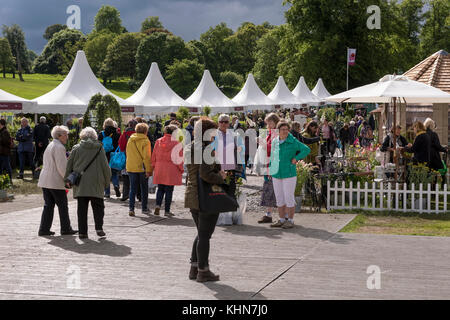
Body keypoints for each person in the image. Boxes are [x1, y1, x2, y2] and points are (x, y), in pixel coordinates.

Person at [184, 117, 226, 282]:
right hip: (205, 196)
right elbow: (206, 174)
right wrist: (221, 177)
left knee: (201, 233)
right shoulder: (207, 148)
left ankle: (194, 268)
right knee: (205, 235)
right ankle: (203, 270)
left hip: (192, 194)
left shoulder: (190, 146)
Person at [65, 127, 111, 239]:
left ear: (82, 136)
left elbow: (69, 165)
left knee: (81, 208)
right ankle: (99, 228)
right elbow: (105, 167)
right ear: (94, 136)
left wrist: (67, 179)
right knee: (98, 207)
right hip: (96, 182)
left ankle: (82, 232)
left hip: (81, 183)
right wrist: (106, 182)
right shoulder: (100, 148)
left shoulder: (76, 148)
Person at [269, 121, 310, 229]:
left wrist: (296, 158)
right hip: (276, 173)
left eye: (287, 129)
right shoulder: (274, 141)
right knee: (279, 197)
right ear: (278, 131)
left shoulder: (293, 141)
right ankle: (282, 219)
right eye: (283, 129)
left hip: (289, 173)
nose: (285, 131)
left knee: (289, 197)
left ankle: (290, 220)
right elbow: (272, 156)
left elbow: (306, 149)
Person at [38, 126, 77, 237]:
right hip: (55, 181)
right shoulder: (59, 147)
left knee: (48, 205)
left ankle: (44, 229)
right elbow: (62, 167)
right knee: (62, 205)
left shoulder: (51, 144)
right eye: (65, 135)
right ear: (59, 135)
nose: (67, 137)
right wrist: (68, 179)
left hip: (46, 180)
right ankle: (65, 228)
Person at [151, 125, 183, 217]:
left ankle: (157, 205)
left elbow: (154, 155)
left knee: (160, 189)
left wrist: (153, 166)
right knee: (169, 190)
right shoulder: (177, 143)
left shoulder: (159, 141)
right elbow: (178, 159)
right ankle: (167, 210)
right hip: (171, 169)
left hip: (160, 168)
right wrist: (181, 169)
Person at [126, 123, 152, 216]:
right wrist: (149, 169)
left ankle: (131, 208)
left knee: (132, 188)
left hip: (131, 166)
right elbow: (147, 157)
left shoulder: (130, 139)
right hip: (142, 168)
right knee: (144, 188)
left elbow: (128, 153)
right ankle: (144, 208)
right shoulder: (146, 141)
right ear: (146, 131)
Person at [258, 113, 280, 224]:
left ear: (276, 122)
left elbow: (275, 149)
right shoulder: (270, 133)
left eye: (271, 122)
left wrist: (263, 145)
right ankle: (269, 213)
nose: (269, 124)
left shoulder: (277, 133)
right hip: (268, 164)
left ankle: (273, 214)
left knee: (272, 189)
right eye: (268, 123)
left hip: (273, 164)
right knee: (269, 189)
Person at [99, 118, 121, 199]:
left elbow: (98, 145)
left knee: (105, 175)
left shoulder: (101, 134)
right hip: (114, 155)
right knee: (114, 173)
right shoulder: (117, 134)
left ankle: (107, 193)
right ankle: (116, 185)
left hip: (104, 156)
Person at [118, 120, 137, 201]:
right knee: (136, 177)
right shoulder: (138, 134)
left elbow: (121, 146)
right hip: (136, 157)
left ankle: (125, 194)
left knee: (125, 177)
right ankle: (136, 194)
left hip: (126, 157)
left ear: (128, 125)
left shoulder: (124, 133)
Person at [0, 119, 13, 183]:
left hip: (5, 153)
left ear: (1, 124)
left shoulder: (5, 131)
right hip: (1, 152)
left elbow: (6, 142)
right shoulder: (2, 131)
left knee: (7, 167)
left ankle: (10, 179)